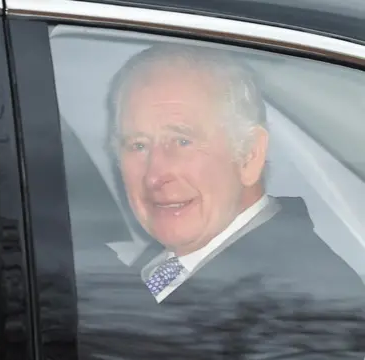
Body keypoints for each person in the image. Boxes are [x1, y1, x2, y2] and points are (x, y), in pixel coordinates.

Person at [78, 43, 365, 359]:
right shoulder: (160, 268)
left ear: (249, 155)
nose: (155, 175)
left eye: (182, 141)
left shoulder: (306, 317)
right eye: (137, 145)